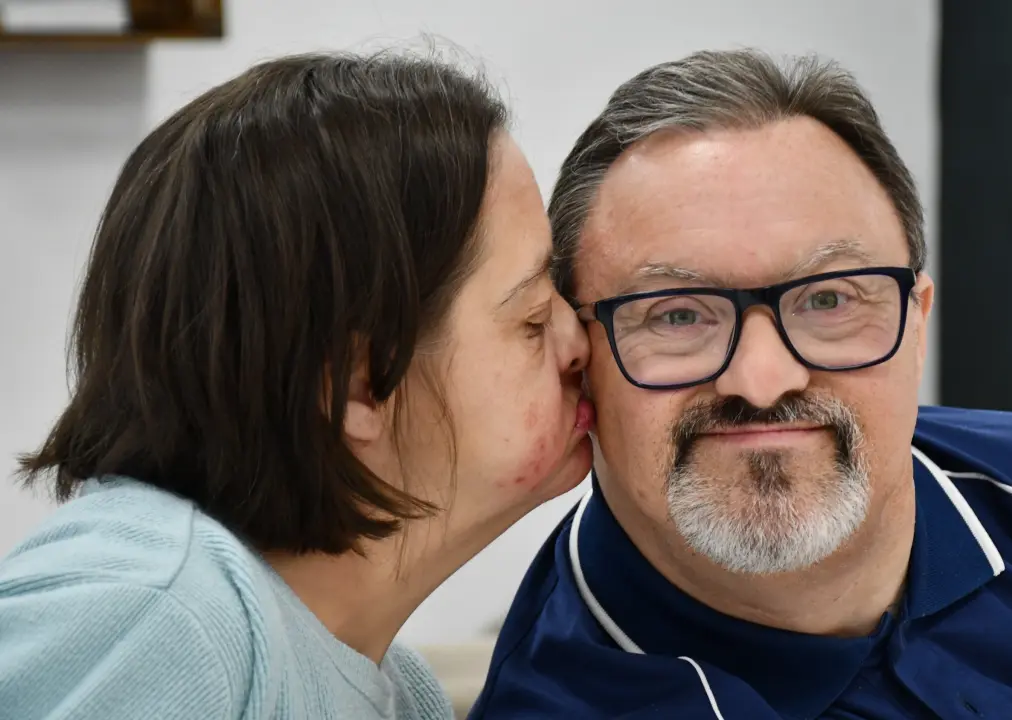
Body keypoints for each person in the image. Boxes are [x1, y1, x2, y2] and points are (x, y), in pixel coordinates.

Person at [470, 49, 1012, 719]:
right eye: (677, 314)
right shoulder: (561, 699)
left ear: (917, 323)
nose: (763, 379)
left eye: (828, 300)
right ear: (576, 356)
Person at [0, 50, 594, 720]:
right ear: (357, 386)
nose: (580, 344)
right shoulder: (160, 615)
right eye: (533, 317)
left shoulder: (405, 697)